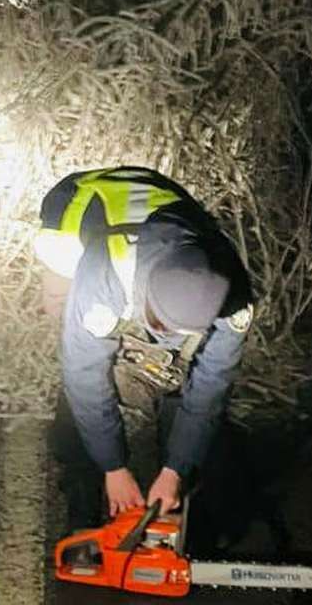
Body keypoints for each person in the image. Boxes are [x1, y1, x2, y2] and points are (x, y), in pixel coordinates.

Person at [34, 166, 254, 533]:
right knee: (81, 360)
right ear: (147, 295)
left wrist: (175, 471)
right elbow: (84, 377)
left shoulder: (232, 298)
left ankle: (179, 510)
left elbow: (209, 388)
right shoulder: (106, 274)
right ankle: (82, 508)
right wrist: (113, 468)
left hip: (164, 213)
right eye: (162, 324)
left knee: (179, 374)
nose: (170, 334)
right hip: (78, 209)